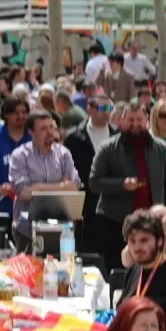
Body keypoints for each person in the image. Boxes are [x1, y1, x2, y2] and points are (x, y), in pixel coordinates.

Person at [90, 102, 166, 273]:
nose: (135, 124)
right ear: (122, 120)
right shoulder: (107, 148)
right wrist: (122, 184)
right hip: (116, 224)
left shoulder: (162, 150)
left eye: (139, 119)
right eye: (131, 120)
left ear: (147, 120)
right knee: (117, 273)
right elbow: (94, 181)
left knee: (154, 274)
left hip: (155, 225)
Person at [8, 110, 80, 251]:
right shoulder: (19, 156)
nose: (50, 132)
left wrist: (38, 187)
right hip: (27, 230)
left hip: (62, 230)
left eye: (51, 127)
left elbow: (74, 186)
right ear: (31, 132)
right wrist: (61, 186)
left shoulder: (64, 154)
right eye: (43, 128)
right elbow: (23, 192)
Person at [63, 95, 119, 253]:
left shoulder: (118, 135)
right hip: (84, 206)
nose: (107, 113)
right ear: (89, 109)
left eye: (110, 108)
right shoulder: (74, 137)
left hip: (111, 205)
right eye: (103, 108)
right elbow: (67, 170)